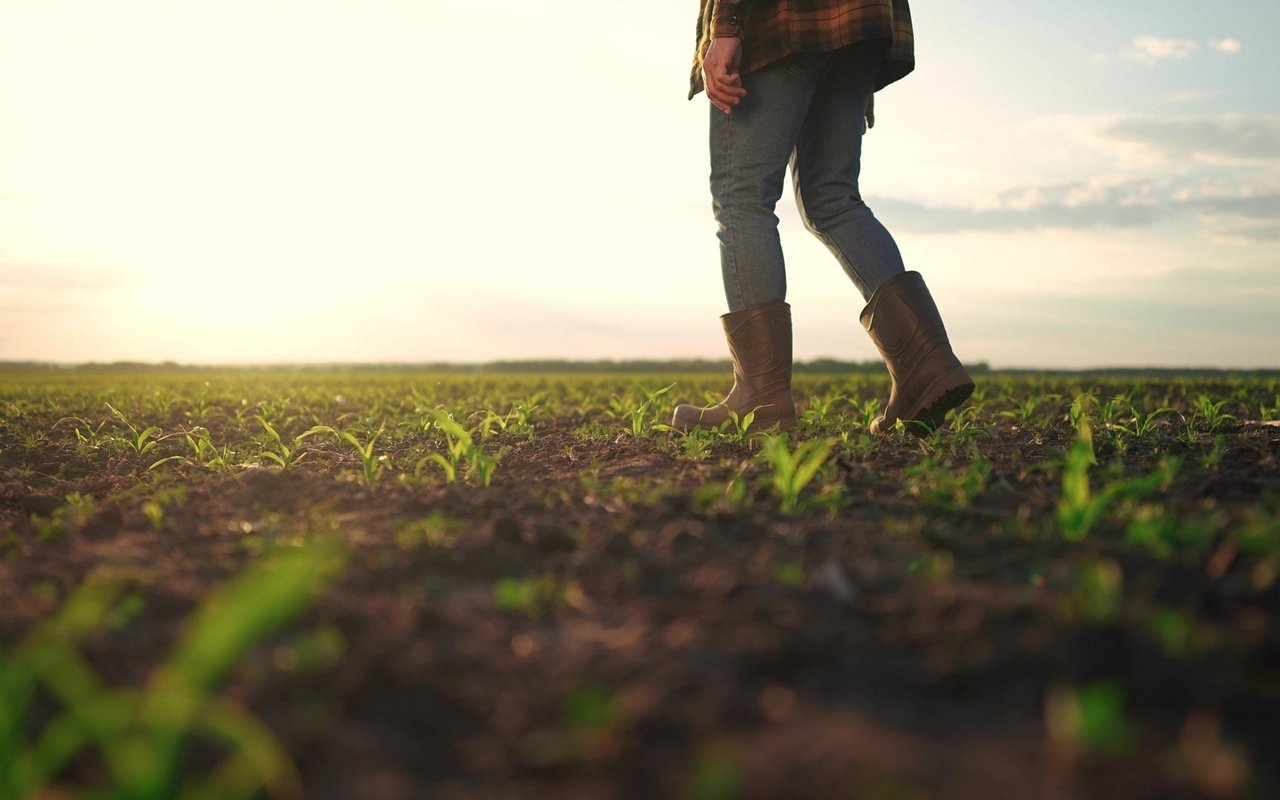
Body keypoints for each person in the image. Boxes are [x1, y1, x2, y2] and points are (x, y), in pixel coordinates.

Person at [671, 0, 973, 435]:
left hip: (782, 20)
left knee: (743, 197)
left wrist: (727, 25)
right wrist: (858, 68)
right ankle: (926, 365)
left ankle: (761, 397)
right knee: (833, 198)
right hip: (859, 28)